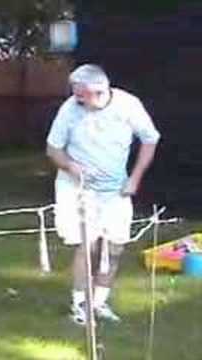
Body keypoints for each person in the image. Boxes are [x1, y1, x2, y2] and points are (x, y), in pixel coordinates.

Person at [46, 64, 160, 325]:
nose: (75, 99)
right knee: (88, 245)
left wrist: (135, 178)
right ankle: (80, 305)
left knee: (115, 248)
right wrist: (72, 167)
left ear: (97, 93)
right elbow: (53, 150)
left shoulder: (128, 106)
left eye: (79, 95)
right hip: (76, 188)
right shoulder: (69, 110)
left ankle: (99, 302)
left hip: (116, 190)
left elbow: (150, 139)